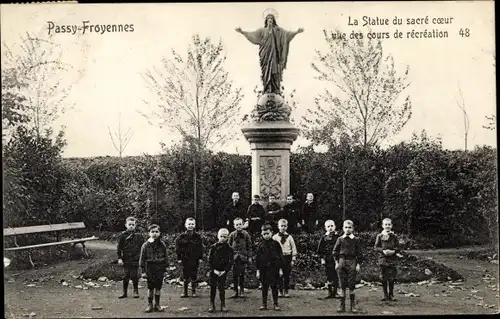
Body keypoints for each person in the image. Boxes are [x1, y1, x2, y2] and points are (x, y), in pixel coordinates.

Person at [235, 10, 304, 94]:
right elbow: (252, 35)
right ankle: (267, 88)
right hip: (265, 55)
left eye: (271, 18)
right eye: (268, 18)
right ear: (266, 20)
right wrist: (242, 32)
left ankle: (275, 89)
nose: (270, 20)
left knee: (275, 71)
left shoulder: (278, 31)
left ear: (274, 20)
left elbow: (287, 35)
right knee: (266, 72)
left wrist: (297, 32)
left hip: (275, 56)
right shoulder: (262, 31)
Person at [333, 220, 363, 313]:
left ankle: (353, 306)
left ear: (353, 229)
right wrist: (336, 263)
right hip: (342, 261)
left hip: (352, 261)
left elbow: (359, 254)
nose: (347, 229)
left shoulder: (356, 239)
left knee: (351, 284)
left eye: (349, 227)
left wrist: (358, 264)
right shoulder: (340, 239)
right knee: (342, 284)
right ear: (343, 228)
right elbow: (335, 252)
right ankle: (341, 306)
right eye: (345, 227)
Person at [139, 224, 168, 313]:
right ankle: (150, 304)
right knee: (150, 287)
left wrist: (166, 269)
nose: (154, 233)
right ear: (149, 233)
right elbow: (142, 258)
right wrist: (143, 271)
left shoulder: (162, 244)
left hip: (159, 268)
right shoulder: (145, 245)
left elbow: (166, 257)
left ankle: (157, 304)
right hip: (150, 268)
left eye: (156, 232)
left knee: (158, 287)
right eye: (152, 232)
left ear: (159, 233)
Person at [255, 223, 284, 311]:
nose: (266, 236)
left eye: (267, 233)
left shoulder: (276, 244)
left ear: (271, 232)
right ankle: (264, 304)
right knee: (264, 287)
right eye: (264, 234)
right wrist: (258, 270)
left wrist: (280, 269)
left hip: (274, 269)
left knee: (274, 286)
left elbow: (280, 257)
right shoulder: (260, 245)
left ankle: (275, 304)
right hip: (263, 269)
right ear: (261, 234)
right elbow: (257, 259)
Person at [374, 218, 402, 302]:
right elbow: (376, 247)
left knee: (392, 277)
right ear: (382, 226)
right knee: (383, 277)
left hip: (392, 259)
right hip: (383, 259)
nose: (387, 226)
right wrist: (383, 251)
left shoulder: (394, 236)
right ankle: (385, 294)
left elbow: (398, 247)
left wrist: (393, 251)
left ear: (391, 226)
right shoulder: (379, 236)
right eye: (385, 224)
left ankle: (391, 294)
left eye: (389, 224)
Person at [116, 216, 144, 299]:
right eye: (129, 224)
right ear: (126, 225)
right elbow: (119, 248)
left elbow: (142, 248)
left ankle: (136, 291)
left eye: (133, 224)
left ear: (135, 226)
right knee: (126, 275)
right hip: (126, 258)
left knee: (134, 275)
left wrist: (141, 258)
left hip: (135, 258)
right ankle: (124, 292)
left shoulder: (139, 236)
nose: (131, 226)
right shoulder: (122, 236)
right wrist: (119, 258)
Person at [175, 217, 204, 298]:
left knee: (194, 274)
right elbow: (178, 248)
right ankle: (185, 292)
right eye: (189, 224)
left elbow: (200, 248)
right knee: (185, 275)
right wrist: (179, 258)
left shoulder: (197, 237)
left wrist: (200, 257)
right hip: (185, 259)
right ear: (185, 225)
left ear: (194, 225)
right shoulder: (181, 237)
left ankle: (194, 291)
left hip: (194, 259)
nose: (190, 226)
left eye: (192, 224)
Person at [208, 228, 234, 313]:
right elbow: (210, 260)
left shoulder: (229, 248)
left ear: (227, 237)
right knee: (213, 287)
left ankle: (223, 304)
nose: (223, 238)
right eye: (221, 236)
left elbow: (230, 261)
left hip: (223, 272)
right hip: (214, 271)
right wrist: (213, 270)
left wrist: (225, 271)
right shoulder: (213, 247)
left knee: (222, 288)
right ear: (218, 236)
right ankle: (212, 304)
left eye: (225, 237)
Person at [228, 218, 253, 299]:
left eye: (240, 224)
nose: (238, 226)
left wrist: (249, 257)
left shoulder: (246, 235)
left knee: (242, 274)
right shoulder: (232, 235)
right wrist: (229, 256)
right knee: (235, 275)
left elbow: (249, 246)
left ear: (243, 225)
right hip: (234, 257)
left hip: (243, 257)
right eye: (237, 224)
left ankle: (242, 290)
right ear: (234, 226)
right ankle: (235, 291)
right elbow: (229, 246)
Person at [272, 219, 297, 298]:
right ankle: (280, 291)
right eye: (281, 226)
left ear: (287, 227)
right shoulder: (275, 237)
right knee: (279, 275)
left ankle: (286, 290)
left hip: (287, 257)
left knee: (286, 275)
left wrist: (293, 258)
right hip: (278, 258)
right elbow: (272, 248)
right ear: (278, 227)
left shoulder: (289, 237)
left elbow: (293, 248)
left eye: (285, 226)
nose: (283, 228)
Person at [317, 220, 340, 300]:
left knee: (336, 275)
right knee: (329, 275)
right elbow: (320, 249)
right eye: (328, 226)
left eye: (332, 226)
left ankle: (335, 292)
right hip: (327, 259)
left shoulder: (338, 237)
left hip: (336, 259)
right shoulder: (324, 238)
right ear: (325, 228)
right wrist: (322, 259)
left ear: (335, 226)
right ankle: (330, 292)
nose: (330, 228)